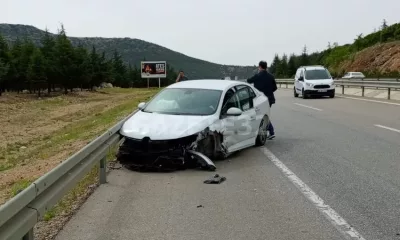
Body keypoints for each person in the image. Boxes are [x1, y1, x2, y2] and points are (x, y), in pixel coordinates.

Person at [246, 61, 277, 140]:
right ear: (266, 67)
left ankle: (270, 132)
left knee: (261, 116)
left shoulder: (257, 76)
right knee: (264, 115)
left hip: (260, 99)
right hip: (269, 98)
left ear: (259, 67)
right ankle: (270, 132)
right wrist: (268, 91)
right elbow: (275, 88)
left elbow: (249, 81)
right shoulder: (271, 76)